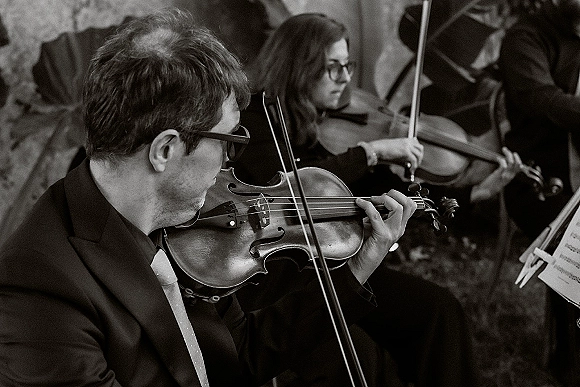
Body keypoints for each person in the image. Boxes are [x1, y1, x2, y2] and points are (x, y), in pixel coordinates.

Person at [0, 8, 418, 387]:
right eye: (228, 142)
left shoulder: (177, 225)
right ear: (165, 150)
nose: (228, 165)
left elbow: (240, 353)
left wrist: (356, 268)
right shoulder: (42, 292)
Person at [229, 12, 524, 387]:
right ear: (297, 66)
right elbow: (292, 190)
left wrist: (472, 192)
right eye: (330, 68)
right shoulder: (257, 117)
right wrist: (368, 152)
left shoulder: (318, 120)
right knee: (368, 360)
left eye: (347, 65)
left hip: (335, 264)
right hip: (287, 276)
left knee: (438, 309)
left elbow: (381, 189)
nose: (345, 78)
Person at [500, 0, 580, 385]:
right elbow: (543, 100)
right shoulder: (525, 37)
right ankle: (569, 355)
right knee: (571, 238)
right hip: (539, 179)